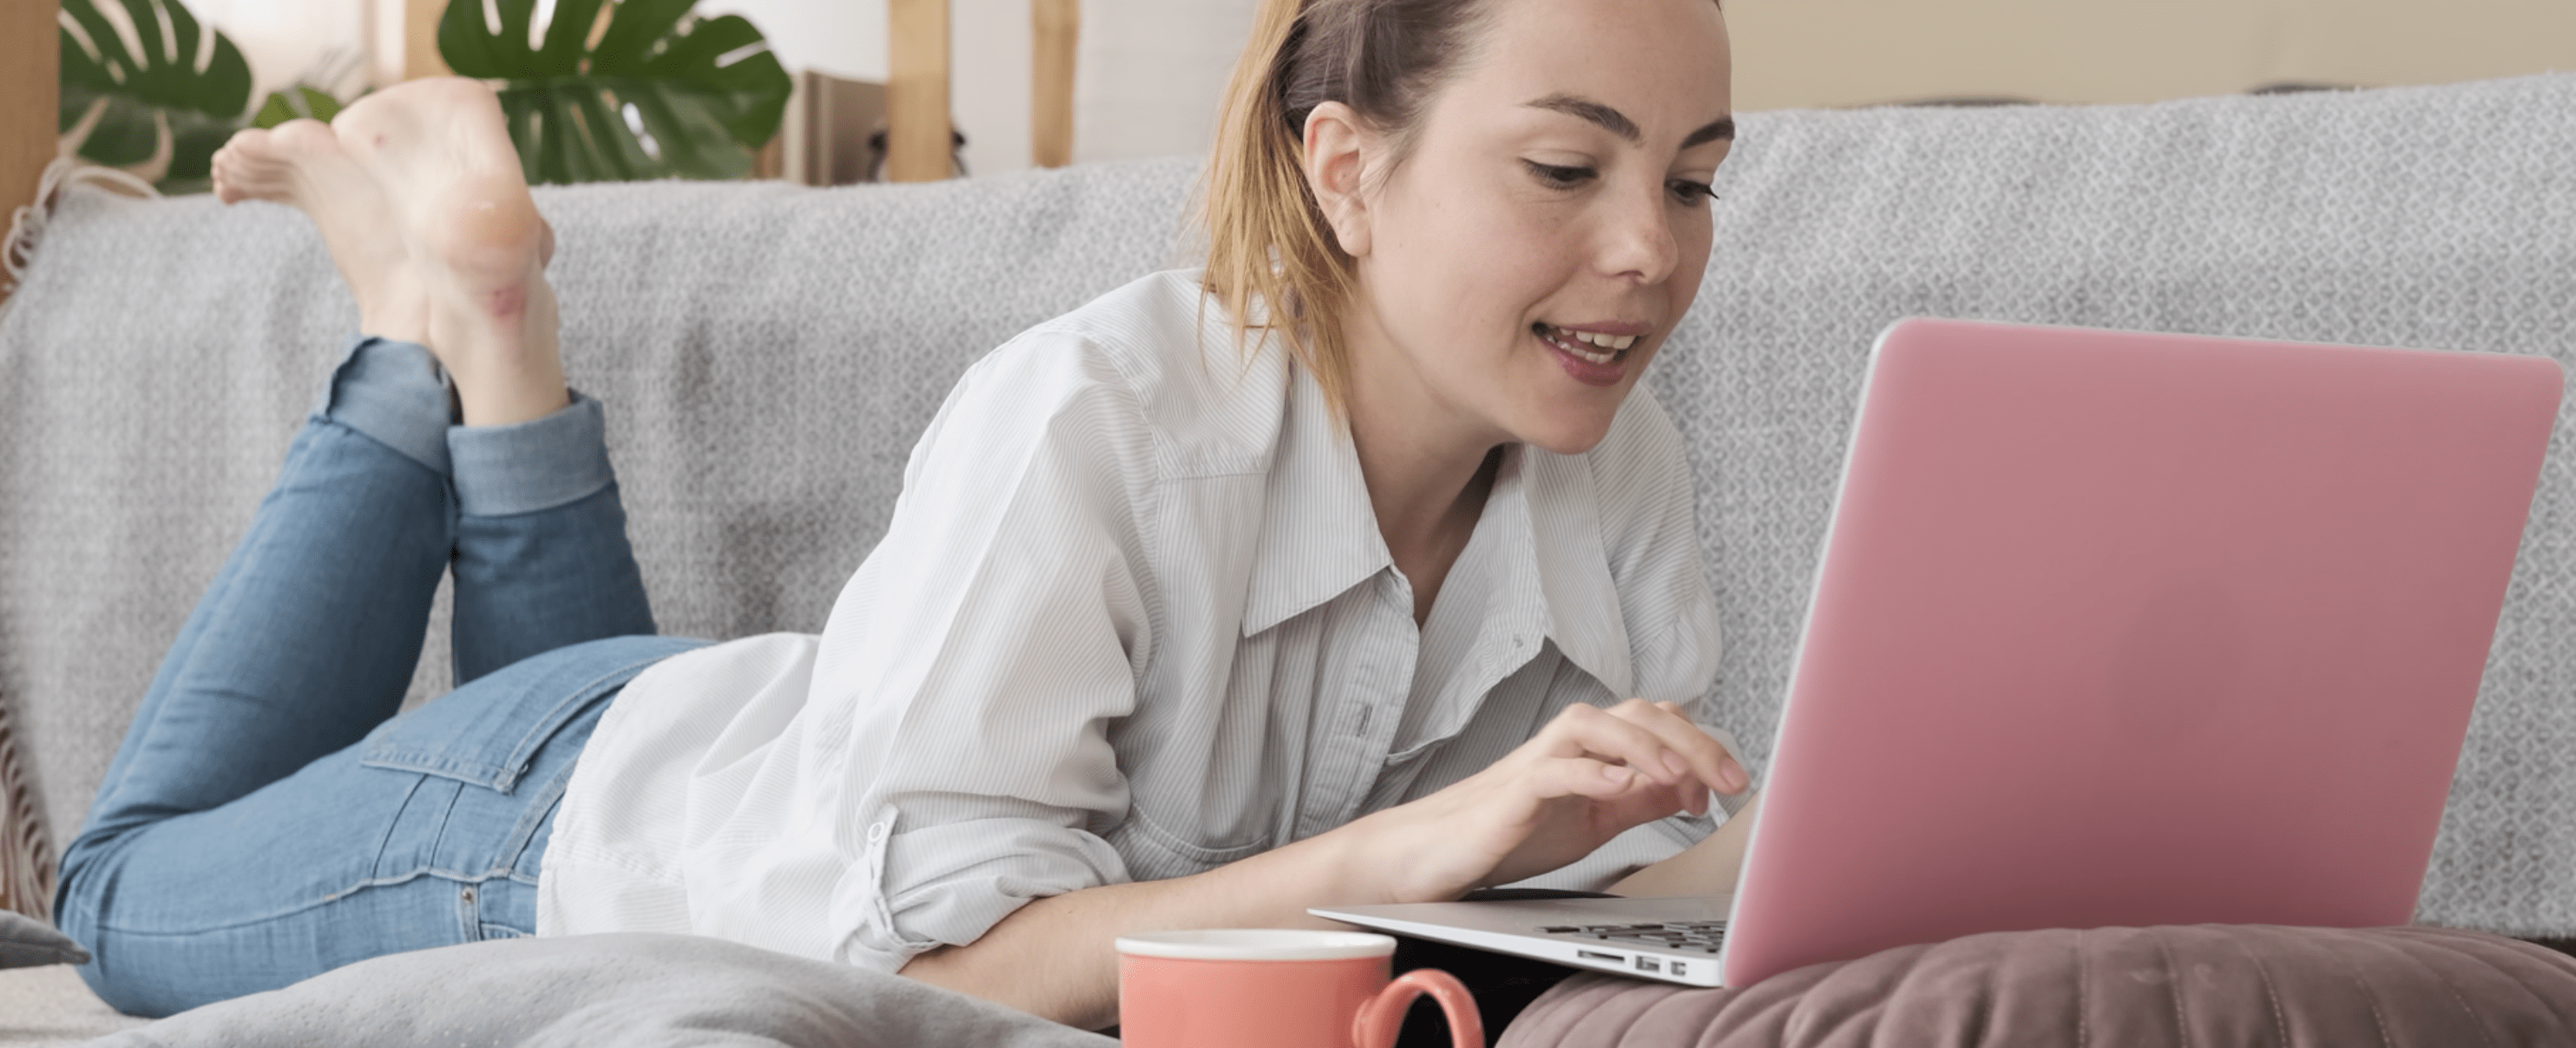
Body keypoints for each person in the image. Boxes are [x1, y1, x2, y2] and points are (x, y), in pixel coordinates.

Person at [56, 0, 1758, 1033]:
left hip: (735, 740)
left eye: (1688, 178)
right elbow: (938, 981)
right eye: (1565, 168)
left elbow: (1602, 897)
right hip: (540, 819)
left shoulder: (1615, 464)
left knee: (620, 745)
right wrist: (1400, 856)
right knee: (117, 901)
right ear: (1343, 169)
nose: (1649, 251)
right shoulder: (1104, 417)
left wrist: (1781, 855)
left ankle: (497, 304)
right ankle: (403, 332)